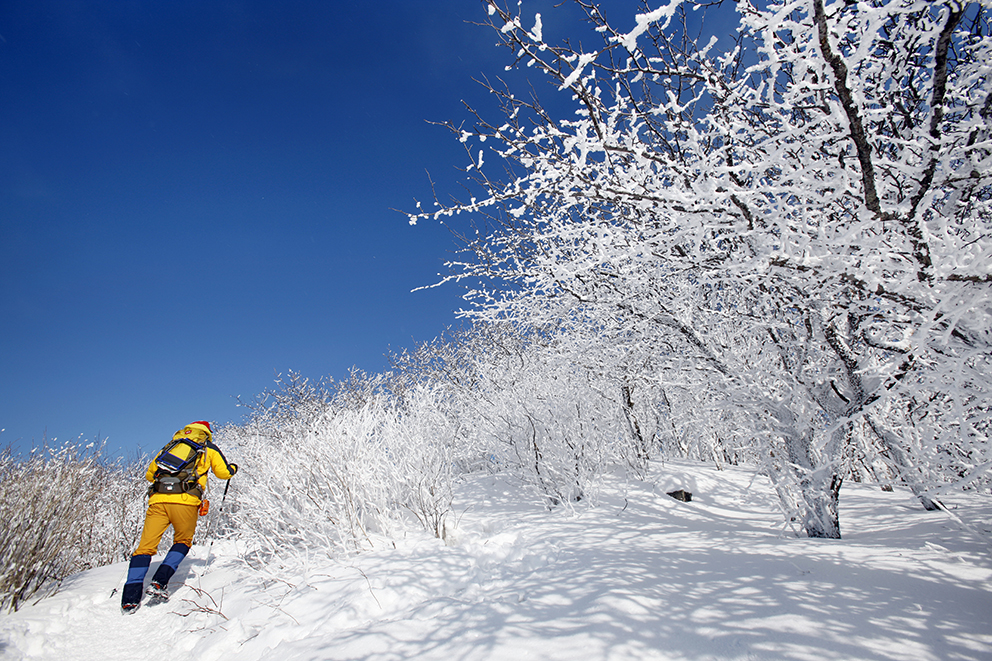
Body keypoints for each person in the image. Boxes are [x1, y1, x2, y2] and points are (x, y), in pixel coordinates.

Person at [121, 421, 237, 613]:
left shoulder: (171, 446)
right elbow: (223, 473)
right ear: (207, 432)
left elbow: (150, 475)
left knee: (145, 548)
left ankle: (130, 599)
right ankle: (159, 581)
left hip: (157, 501)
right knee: (183, 540)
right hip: (186, 501)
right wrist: (232, 468)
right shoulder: (207, 448)